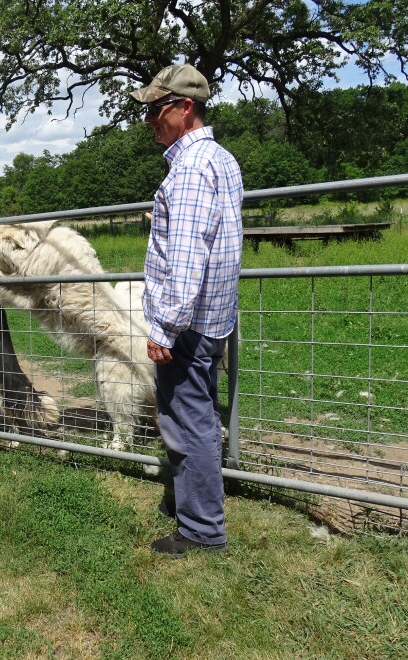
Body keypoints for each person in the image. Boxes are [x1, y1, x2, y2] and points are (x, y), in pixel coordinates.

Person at [130, 64, 244, 557]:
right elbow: (209, 235)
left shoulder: (191, 171)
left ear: (186, 108)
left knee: (186, 420)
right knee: (199, 413)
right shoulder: (220, 161)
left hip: (189, 324)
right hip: (213, 318)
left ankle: (200, 529)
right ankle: (202, 508)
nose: (150, 119)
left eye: (157, 109)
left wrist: (165, 328)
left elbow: (187, 260)